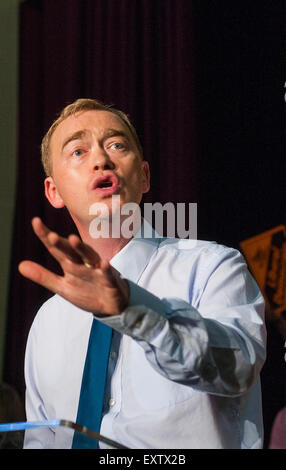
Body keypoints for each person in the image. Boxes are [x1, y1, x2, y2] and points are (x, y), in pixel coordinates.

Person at [20, 98, 266, 449]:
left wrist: (134, 311)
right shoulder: (47, 321)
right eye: (78, 151)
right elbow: (40, 440)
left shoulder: (213, 267)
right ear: (53, 192)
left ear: (145, 176)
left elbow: (237, 369)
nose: (102, 160)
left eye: (117, 145)